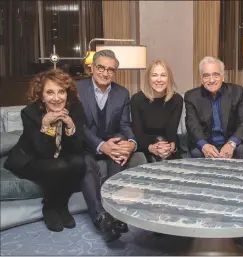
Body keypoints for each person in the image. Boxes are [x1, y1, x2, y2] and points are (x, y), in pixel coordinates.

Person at [5, 69, 86, 232]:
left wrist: (70, 126)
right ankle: (49, 207)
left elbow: (76, 148)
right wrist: (46, 126)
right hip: (29, 159)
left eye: (61, 92)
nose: (56, 98)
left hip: (59, 157)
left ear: (67, 94)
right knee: (59, 166)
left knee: (79, 162)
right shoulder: (30, 113)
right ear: (41, 96)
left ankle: (62, 205)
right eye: (50, 92)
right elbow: (44, 153)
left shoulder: (75, 108)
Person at [77, 50, 143, 242]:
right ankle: (101, 217)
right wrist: (100, 145)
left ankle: (114, 214)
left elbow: (125, 125)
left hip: (113, 144)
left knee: (120, 159)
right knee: (85, 165)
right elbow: (78, 126)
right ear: (92, 68)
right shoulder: (77, 89)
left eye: (111, 70)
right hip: (85, 146)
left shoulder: (122, 93)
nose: (105, 73)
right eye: (101, 68)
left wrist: (131, 143)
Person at [184, 56, 243, 159]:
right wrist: (204, 145)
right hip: (206, 143)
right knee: (196, 153)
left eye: (216, 75)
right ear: (201, 79)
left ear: (223, 77)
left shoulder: (238, 92)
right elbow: (193, 126)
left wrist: (231, 144)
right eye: (206, 76)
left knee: (240, 150)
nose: (211, 80)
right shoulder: (191, 96)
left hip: (231, 142)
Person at [131, 60, 183, 162]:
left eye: (163, 75)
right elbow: (138, 134)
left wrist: (171, 145)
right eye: (154, 75)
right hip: (145, 147)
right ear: (148, 78)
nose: (159, 79)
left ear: (169, 78)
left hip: (166, 146)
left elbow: (171, 132)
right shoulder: (137, 99)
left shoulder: (177, 100)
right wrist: (151, 147)